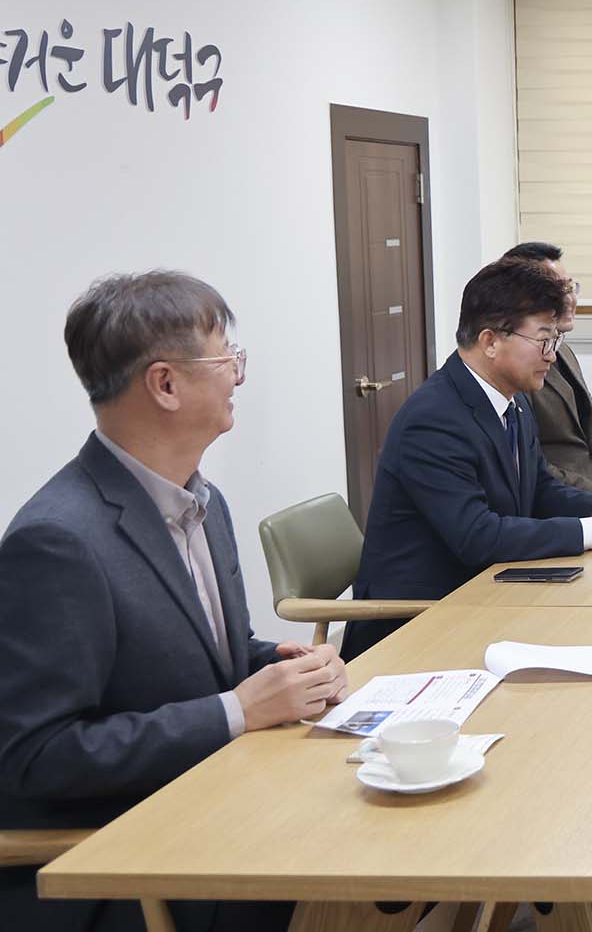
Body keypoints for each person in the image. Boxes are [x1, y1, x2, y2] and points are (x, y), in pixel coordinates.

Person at [0, 272, 348, 932]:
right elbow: (35, 756)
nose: (239, 378)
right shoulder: (57, 540)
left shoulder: (200, 502)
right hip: (124, 857)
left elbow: (215, 655)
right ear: (165, 384)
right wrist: (236, 709)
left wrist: (282, 661)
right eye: (228, 360)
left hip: (209, 800)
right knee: (359, 862)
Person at [343, 260, 592, 659]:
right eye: (543, 340)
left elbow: (539, 488)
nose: (551, 355)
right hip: (419, 623)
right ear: (490, 341)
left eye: (555, 341)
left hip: (488, 594)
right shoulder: (433, 419)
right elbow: (478, 536)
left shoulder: (513, 401)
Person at [499, 242, 592, 491]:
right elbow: (531, 465)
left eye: (569, 287)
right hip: (566, 500)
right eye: (555, 291)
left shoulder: (562, 349)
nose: (568, 299)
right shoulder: (514, 364)